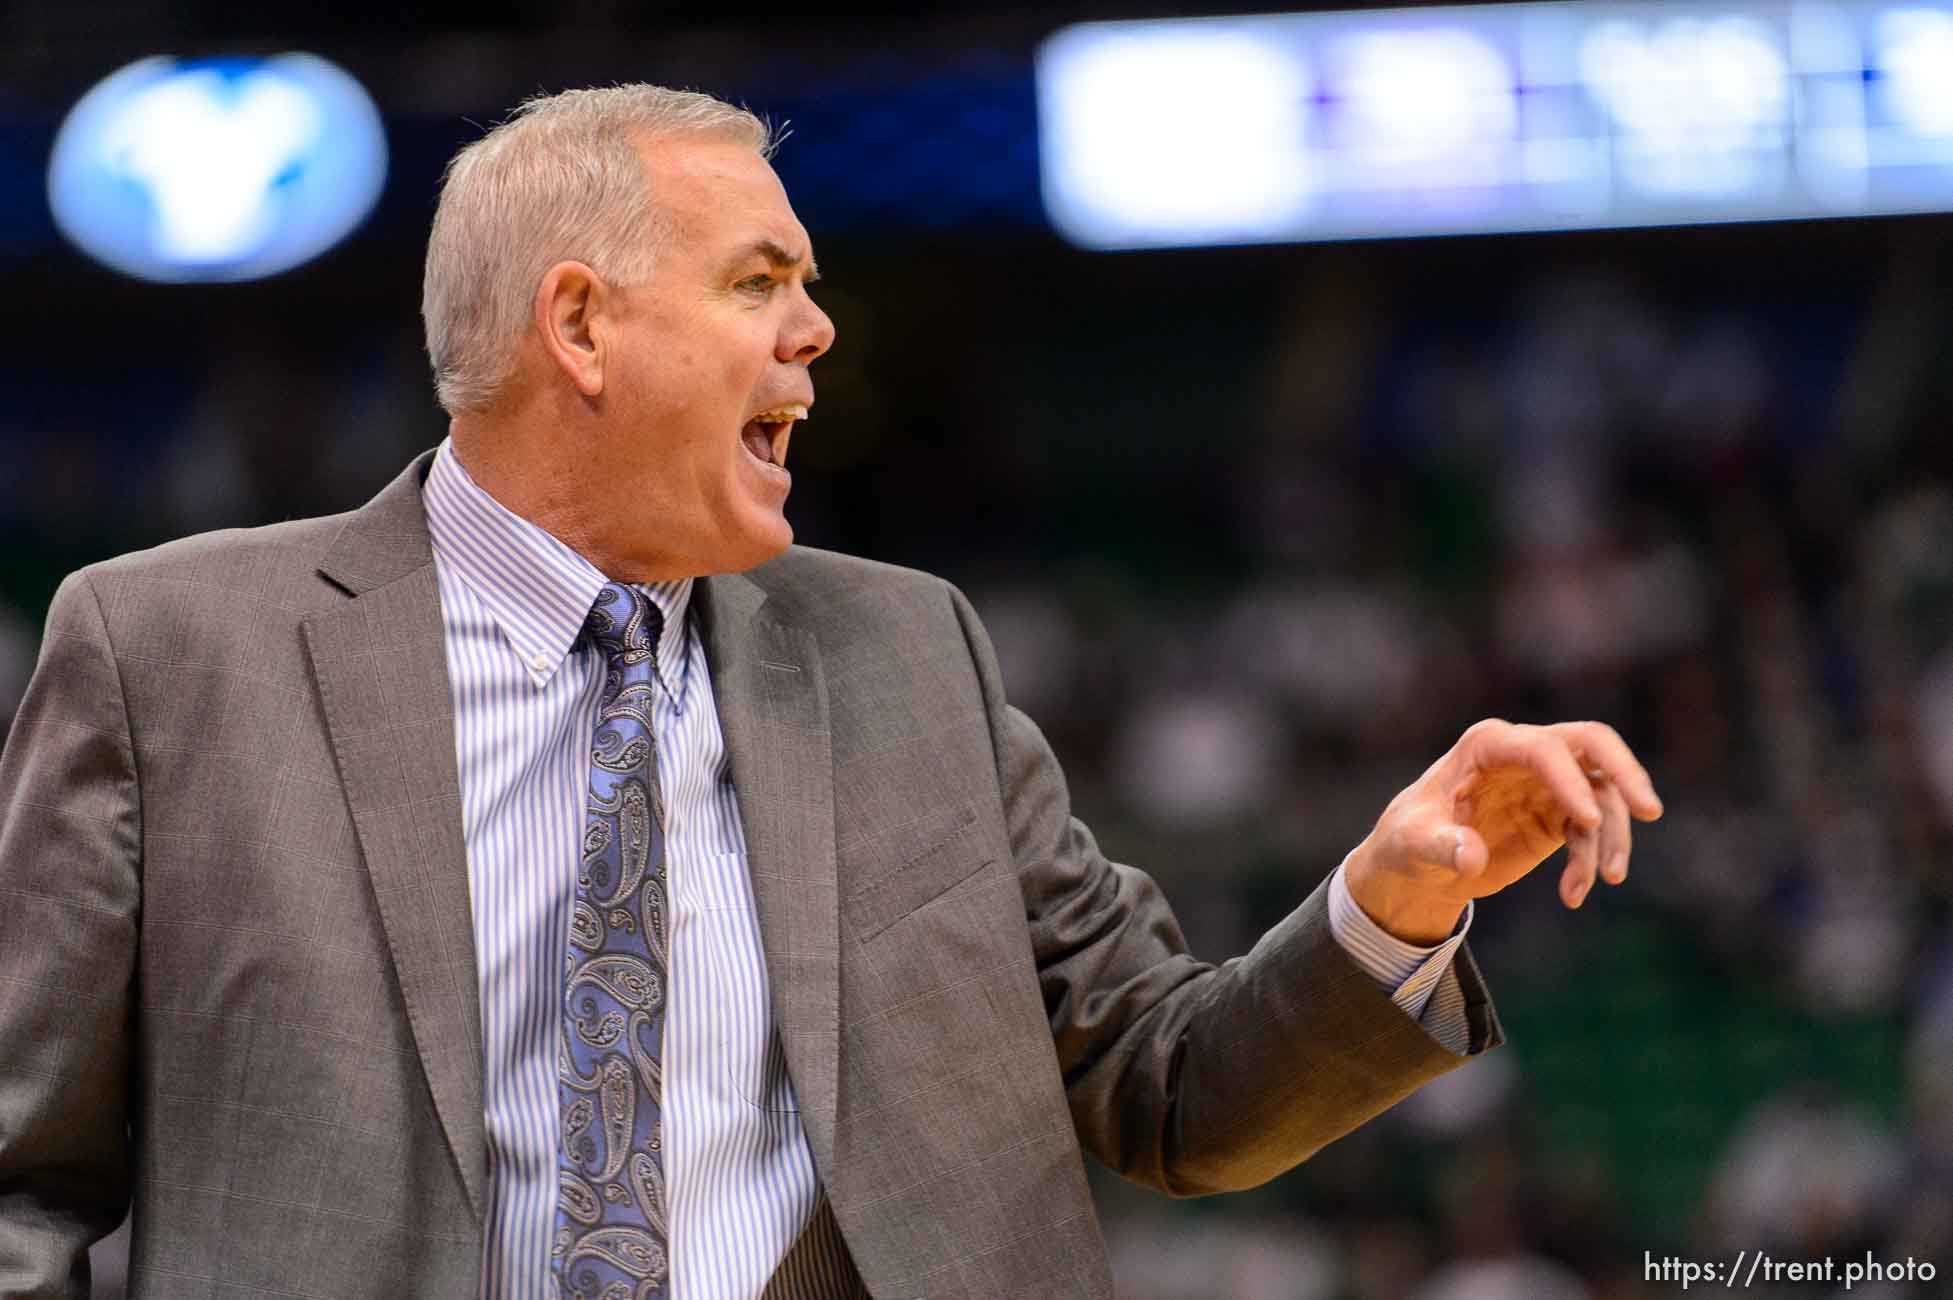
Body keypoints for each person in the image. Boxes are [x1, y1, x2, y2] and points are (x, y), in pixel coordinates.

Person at [0, 84, 1663, 1300]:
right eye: (757, 281)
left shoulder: (905, 650)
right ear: (579, 324)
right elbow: (23, 1184)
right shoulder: (171, 655)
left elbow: (1168, 1090)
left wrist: (1386, 903)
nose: (819, 328)